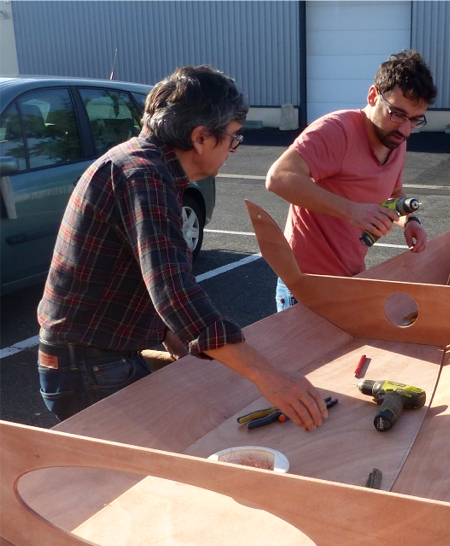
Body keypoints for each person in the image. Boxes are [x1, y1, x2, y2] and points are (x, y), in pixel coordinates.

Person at [37, 65, 327, 429]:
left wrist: (172, 335)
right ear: (202, 137)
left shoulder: (144, 165)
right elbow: (173, 290)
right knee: (140, 472)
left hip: (94, 357)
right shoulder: (145, 176)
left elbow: (136, 272)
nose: (233, 149)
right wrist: (271, 377)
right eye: (233, 138)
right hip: (89, 365)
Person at [266, 50, 437, 311]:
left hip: (351, 280)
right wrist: (352, 211)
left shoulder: (395, 140)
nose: (405, 129)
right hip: (306, 285)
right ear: (373, 96)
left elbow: (393, 192)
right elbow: (279, 178)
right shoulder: (337, 131)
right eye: (397, 114)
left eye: (414, 120)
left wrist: (410, 220)